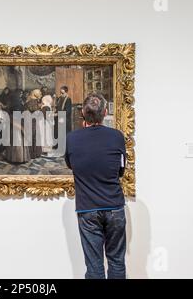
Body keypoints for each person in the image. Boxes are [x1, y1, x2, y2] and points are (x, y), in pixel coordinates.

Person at [65, 93, 127, 279]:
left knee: (94, 266)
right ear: (105, 113)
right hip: (114, 207)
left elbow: (71, 165)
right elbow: (121, 171)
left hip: (88, 208)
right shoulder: (117, 136)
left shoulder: (72, 138)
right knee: (116, 262)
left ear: (83, 113)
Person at [25, 89, 43, 159]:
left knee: (34, 136)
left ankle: (34, 153)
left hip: (33, 120)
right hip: (31, 121)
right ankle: (32, 153)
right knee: (33, 136)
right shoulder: (32, 101)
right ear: (35, 94)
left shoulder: (33, 100)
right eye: (39, 93)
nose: (40, 95)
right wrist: (39, 107)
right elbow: (33, 110)